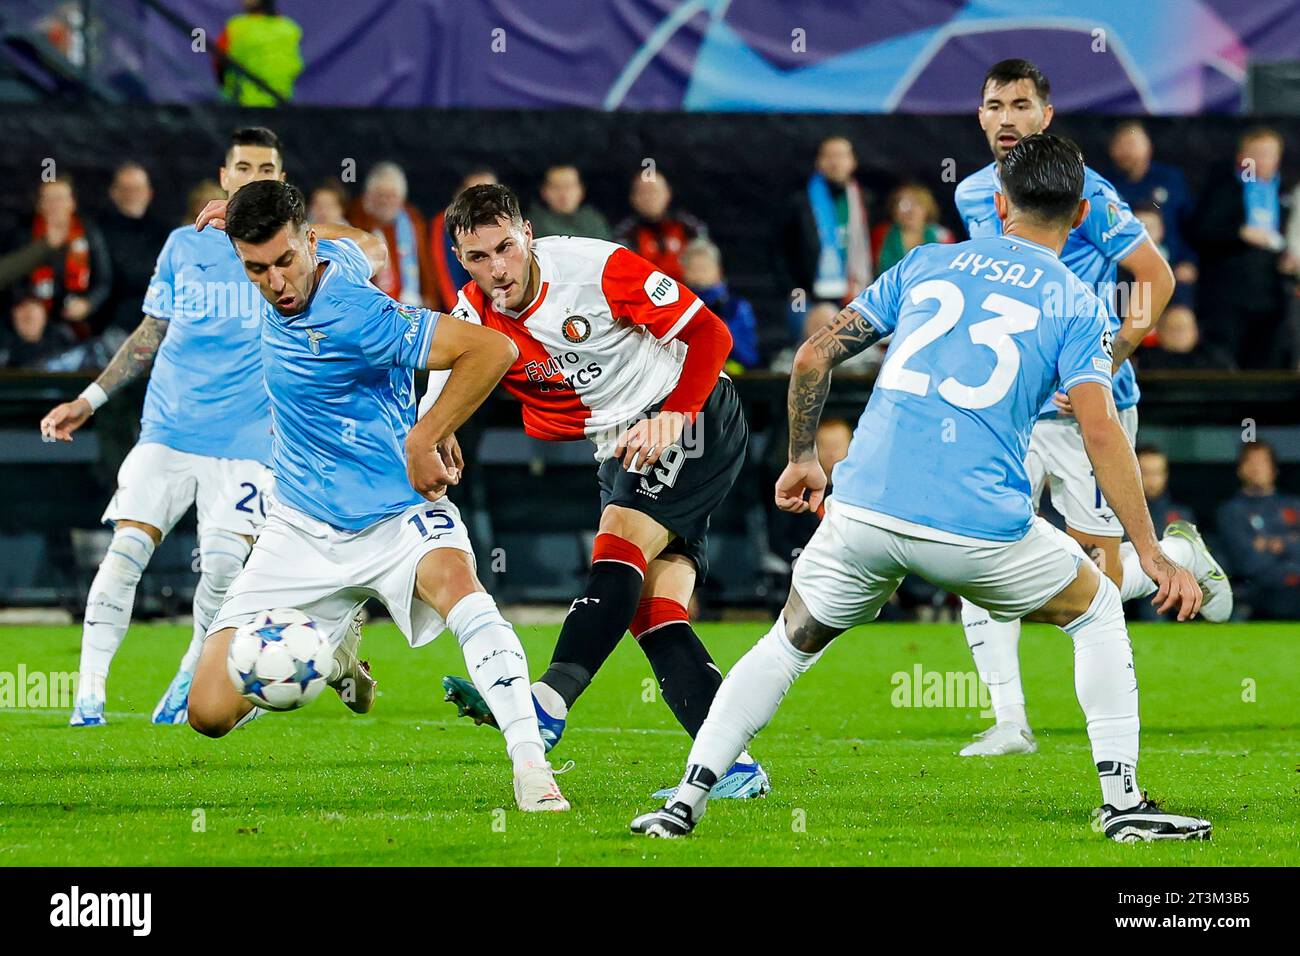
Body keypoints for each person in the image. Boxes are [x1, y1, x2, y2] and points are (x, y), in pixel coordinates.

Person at [630, 133, 1211, 843]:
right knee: (1094, 609)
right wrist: (1149, 551)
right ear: (1083, 211)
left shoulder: (928, 261)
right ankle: (1122, 804)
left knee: (788, 642)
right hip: (976, 528)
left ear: (999, 204)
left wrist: (804, 457)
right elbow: (1099, 431)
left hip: (864, 507)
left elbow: (815, 354)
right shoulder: (1079, 303)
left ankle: (687, 798)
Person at [184, 180, 568, 813]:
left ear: (309, 241)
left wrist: (427, 434)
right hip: (301, 526)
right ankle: (330, 656)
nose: (276, 282)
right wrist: (248, 220)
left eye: (285, 261)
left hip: (397, 512)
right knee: (208, 713)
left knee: (461, 590)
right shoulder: (326, 253)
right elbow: (368, 244)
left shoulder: (357, 315)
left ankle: (531, 768)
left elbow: (492, 349)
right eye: (257, 269)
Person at [435, 184, 769, 799]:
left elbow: (712, 336)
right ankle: (734, 766)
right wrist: (439, 428)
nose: (496, 269)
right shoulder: (472, 315)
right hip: (619, 445)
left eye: (505, 247)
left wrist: (676, 414)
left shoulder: (598, 268)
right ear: (462, 258)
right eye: (478, 258)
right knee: (651, 611)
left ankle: (547, 703)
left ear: (528, 233)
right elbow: (445, 379)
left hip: (689, 415)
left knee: (616, 547)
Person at [951, 59, 1229, 758]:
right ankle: (1009, 721)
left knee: (1096, 582)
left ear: (1047, 115)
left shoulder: (1087, 193)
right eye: (994, 105)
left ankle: (1176, 555)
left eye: (1021, 104)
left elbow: (1155, 278)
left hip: (1087, 416)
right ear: (979, 117)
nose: (1007, 117)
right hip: (1010, 409)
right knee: (974, 553)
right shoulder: (972, 194)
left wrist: (1105, 363)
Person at [38, 127, 286, 728]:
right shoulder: (183, 246)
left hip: (248, 442)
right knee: (125, 552)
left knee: (224, 569)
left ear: (280, 182)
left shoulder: (295, 250)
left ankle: (188, 678)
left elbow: (366, 250)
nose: (253, 177)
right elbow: (151, 332)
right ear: (224, 177)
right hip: (171, 429)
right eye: (243, 167)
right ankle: (88, 696)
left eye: (267, 170)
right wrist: (90, 398)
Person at [1189, 127, 1291, 369]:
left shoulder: (1286, 192)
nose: (1261, 160)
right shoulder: (1223, 187)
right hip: (1227, 296)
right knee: (1224, 362)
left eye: (1268, 153)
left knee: (1267, 364)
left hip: (1271, 295)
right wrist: (1239, 233)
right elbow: (1200, 229)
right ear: (1241, 157)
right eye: (1255, 153)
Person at [775, 136, 873, 341]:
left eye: (841, 155)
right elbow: (779, 248)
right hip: (808, 294)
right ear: (818, 162)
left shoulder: (864, 201)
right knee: (810, 351)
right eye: (828, 156)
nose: (834, 161)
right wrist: (792, 288)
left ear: (852, 161)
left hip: (853, 291)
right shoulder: (800, 202)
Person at [0, 176, 111, 341]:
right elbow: (12, 280)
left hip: (79, 319)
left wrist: (88, 304)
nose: (55, 205)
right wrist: (28, 304)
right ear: (39, 205)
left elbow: (104, 280)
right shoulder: (24, 234)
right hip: (36, 318)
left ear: (72, 203)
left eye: (60, 199)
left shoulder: (89, 232)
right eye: (48, 199)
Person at [1106, 122, 1197, 289]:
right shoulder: (1104, 186)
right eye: (1121, 144)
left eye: (1132, 143)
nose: (1128, 151)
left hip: (1171, 267)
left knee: (1180, 316)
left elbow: (1189, 224)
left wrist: (1189, 261)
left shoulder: (1170, 179)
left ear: (1149, 146)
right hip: (1121, 273)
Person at [1216, 442, 1300, 620]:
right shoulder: (1231, 511)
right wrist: (1291, 541)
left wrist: (1273, 544)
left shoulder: (1294, 505)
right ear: (1240, 469)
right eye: (1251, 462)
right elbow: (1246, 562)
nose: (1257, 468)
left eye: (1262, 462)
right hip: (1257, 591)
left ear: (1274, 468)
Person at [346, 162, 435, 307]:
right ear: (368, 195)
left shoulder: (413, 221)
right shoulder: (354, 221)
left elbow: (426, 267)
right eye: (381, 195)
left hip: (412, 307)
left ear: (401, 199)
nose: (386, 201)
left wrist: (429, 301)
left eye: (391, 196)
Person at [99, 162, 172, 333]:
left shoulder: (165, 232)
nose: (131, 195)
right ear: (113, 193)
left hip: (161, 323)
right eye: (125, 189)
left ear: (149, 193)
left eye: (137, 189)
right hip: (114, 325)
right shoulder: (98, 232)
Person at [679, 237, 760, 370]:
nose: (699, 275)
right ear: (684, 271)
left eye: (703, 268)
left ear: (718, 271)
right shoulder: (679, 305)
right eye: (693, 268)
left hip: (732, 374)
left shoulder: (737, 307)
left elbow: (749, 355)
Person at [613, 170, 706, 281]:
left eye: (654, 191)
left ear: (667, 193)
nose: (649, 198)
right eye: (642, 192)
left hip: (689, 292)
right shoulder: (625, 232)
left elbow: (705, 261)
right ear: (633, 198)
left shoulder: (688, 226)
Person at [427, 168, 498, 310]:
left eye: (489, 193)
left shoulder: (505, 222)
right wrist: (460, 312)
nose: (481, 199)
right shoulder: (444, 224)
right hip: (462, 309)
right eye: (475, 193)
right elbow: (444, 272)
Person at [215, 0, 303, 106]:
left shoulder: (235, 27)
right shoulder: (291, 28)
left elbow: (218, 63)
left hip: (243, 107)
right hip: (281, 105)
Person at [871, 183, 953, 274]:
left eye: (917, 204)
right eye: (903, 204)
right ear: (893, 209)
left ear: (927, 208)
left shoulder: (942, 236)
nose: (910, 211)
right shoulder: (881, 233)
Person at [528, 164, 612, 241]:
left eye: (569, 186)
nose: (563, 193)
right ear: (543, 191)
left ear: (581, 190)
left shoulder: (594, 220)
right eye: (556, 187)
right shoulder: (533, 224)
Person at [1138, 305, 1233, 370]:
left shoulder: (1215, 360)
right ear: (1160, 333)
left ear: (1195, 331)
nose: (1179, 334)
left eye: (1183, 328)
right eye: (1173, 328)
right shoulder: (1146, 363)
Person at [2, 293, 77, 368]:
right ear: (12, 316)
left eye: (34, 317)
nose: (29, 315)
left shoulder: (62, 338)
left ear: (45, 315)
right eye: (25, 319)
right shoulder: (5, 350)